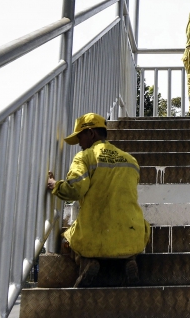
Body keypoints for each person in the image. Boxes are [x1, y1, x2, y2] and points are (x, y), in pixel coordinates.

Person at [47, 113, 150, 287]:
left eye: (80, 137)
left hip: (94, 237)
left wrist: (55, 185)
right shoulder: (131, 160)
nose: (79, 143)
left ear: (91, 133)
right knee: (133, 234)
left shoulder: (85, 157)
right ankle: (129, 262)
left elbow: (75, 189)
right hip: (132, 236)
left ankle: (86, 263)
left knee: (67, 238)